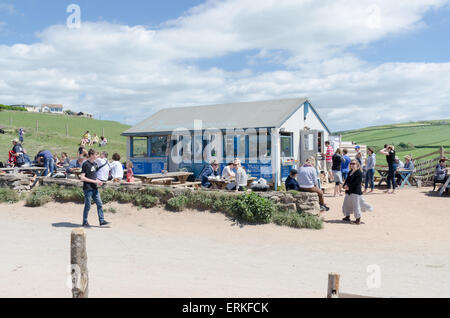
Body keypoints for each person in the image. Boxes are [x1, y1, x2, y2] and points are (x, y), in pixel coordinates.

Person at [79, 149, 110, 227]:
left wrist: (98, 181)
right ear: (92, 155)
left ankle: (101, 221)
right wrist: (94, 181)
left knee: (99, 203)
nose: (97, 156)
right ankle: (85, 221)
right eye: (96, 154)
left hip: (94, 188)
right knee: (88, 205)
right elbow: (82, 177)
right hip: (87, 188)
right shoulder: (85, 164)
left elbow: (94, 176)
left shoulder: (95, 164)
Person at [342, 159, 373, 225]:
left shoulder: (359, 172)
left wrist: (348, 186)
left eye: (353, 164)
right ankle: (347, 216)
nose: (352, 165)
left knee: (356, 205)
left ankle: (358, 219)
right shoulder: (350, 171)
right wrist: (344, 185)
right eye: (351, 163)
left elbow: (357, 183)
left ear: (357, 165)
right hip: (349, 191)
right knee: (346, 204)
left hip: (355, 192)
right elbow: (347, 180)